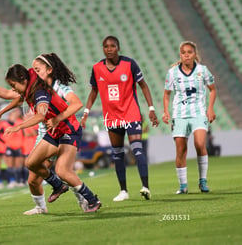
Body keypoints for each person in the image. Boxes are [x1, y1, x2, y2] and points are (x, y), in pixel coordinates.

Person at [0, 53, 91, 214]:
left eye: (37, 69)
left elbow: (75, 104)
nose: (34, 72)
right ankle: (41, 207)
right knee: (33, 179)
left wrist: (57, 119)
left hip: (62, 131)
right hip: (44, 133)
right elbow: (11, 95)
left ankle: (83, 198)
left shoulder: (59, 88)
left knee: (63, 171)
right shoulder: (34, 86)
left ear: (49, 70)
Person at [81, 35, 159, 202]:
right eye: (106, 46)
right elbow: (94, 91)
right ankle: (123, 191)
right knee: (117, 154)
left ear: (118, 47)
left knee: (137, 149)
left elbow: (143, 85)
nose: (109, 49)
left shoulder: (129, 64)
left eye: (112, 46)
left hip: (131, 112)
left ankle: (145, 187)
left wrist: (151, 108)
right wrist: (86, 111)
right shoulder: (97, 68)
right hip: (112, 116)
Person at [162, 41, 216, 194]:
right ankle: (183, 185)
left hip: (199, 113)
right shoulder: (172, 72)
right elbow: (166, 94)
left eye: (189, 52)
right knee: (181, 150)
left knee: (199, 144)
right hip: (180, 115)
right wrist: (166, 112)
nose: (186, 55)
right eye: (184, 52)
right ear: (180, 55)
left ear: (194, 54)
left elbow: (212, 90)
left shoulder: (202, 70)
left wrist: (210, 109)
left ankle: (203, 181)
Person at [1, 108, 24, 188]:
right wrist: (5, 143)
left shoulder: (20, 122)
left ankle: (18, 180)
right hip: (9, 147)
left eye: (18, 111)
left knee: (18, 166)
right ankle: (11, 181)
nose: (17, 113)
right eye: (16, 111)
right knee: (10, 166)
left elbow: (24, 134)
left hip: (18, 147)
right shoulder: (5, 123)